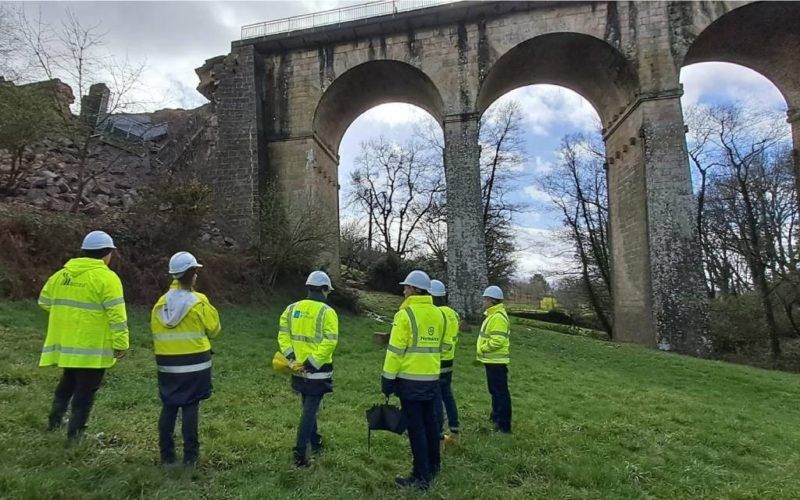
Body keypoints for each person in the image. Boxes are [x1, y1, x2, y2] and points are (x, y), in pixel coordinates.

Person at [39, 230, 129, 442]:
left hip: (67, 345)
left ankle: (55, 422)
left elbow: (44, 301)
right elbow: (117, 315)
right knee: (85, 393)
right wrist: (121, 343)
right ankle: (75, 436)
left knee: (68, 382)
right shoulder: (108, 278)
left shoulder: (62, 274)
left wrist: (68, 317)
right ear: (107, 254)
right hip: (92, 348)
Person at [151, 251, 221, 466]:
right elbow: (215, 329)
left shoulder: (160, 304)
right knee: (191, 407)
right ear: (191, 275)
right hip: (195, 365)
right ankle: (190, 457)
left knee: (169, 406)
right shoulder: (198, 302)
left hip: (167, 365)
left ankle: (167, 456)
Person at [381, 270, 445, 490]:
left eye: (407, 287)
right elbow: (444, 348)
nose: (404, 290)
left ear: (416, 290)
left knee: (416, 429)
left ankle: (420, 477)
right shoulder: (439, 314)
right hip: (432, 379)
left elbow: (395, 351)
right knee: (431, 424)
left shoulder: (405, 315)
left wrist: (387, 379)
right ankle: (434, 466)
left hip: (409, 381)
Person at [278, 271, 339, 468]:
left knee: (307, 406)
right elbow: (329, 342)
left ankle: (315, 441)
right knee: (310, 410)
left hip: (296, 368)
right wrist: (313, 362)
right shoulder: (327, 312)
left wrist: (291, 358)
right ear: (323, 289)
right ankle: (300, 453)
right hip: (317, 370)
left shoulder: (291, 308)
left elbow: (283, 336)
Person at [429, 279, 460, 448]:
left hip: (437, 359)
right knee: (447, 393)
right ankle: (454, 429)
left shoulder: (437, 314)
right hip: (450, 358)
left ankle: (439, 435)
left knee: (437, 397)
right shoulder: (453, 313)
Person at [477, 285, 512, 433]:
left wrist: (484, 348)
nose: (483, 302)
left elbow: (498, 340)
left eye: (485, 299)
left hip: (496, 361)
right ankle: (496, 416)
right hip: (492, 361)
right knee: (496, 391)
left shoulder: (497, 317)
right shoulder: (493, 315)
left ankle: (503, 425)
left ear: (491, 300)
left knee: (500, 393)